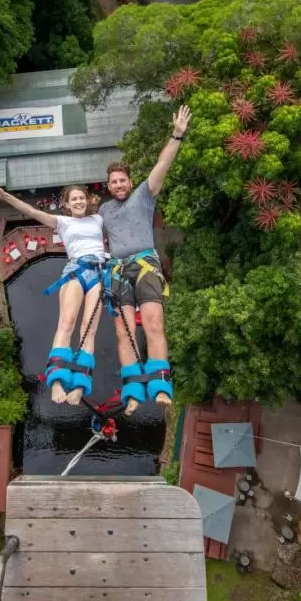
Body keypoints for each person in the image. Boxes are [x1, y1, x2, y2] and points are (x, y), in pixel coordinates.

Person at [101, 105, 191, 415]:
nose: (119, 185)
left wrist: (177, 134)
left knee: (153, 323)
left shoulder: (144, 195)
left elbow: (162, 164)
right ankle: (133, 388)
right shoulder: (103, 211)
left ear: (129, 181)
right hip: (117, 270)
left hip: (144, 265)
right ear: (108, 186)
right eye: (114, 182)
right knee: (122, 331)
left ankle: (160, 384)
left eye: (122, 180)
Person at [0, 182, 104, 405]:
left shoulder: (98, 219)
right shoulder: (62, 222)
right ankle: (57, 380)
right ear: (66, 204)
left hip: (98, 273)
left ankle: (79, 383)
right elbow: (32, 211)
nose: (78, 202)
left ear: (87, 200)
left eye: (81, 198)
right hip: (76, 271)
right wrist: (5, 196)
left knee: (89, 329)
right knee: (67, 324)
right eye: (74, 199)